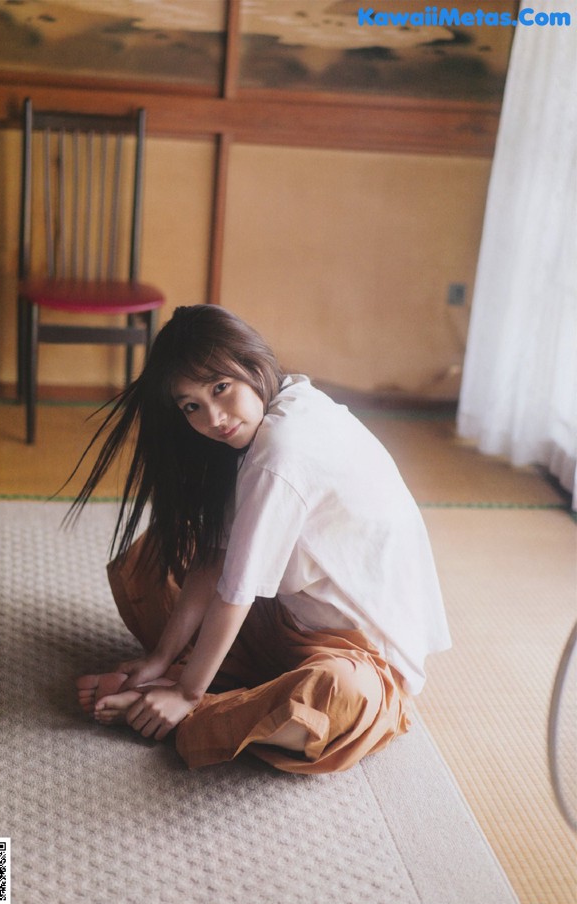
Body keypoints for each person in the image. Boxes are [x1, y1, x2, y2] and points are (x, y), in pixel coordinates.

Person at [72, 305, 450, 774]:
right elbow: (213, 558)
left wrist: (188, 693)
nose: (213, 417)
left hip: (357, 656)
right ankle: (197, 684)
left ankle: (194, 708)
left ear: (251, 364)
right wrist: (158, 658)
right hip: (285, 619)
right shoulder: (276, 408)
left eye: (220, 388)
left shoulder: (284, 449)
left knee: (328, 701)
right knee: (151, 559)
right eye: (192, 405)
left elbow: (237, 590)